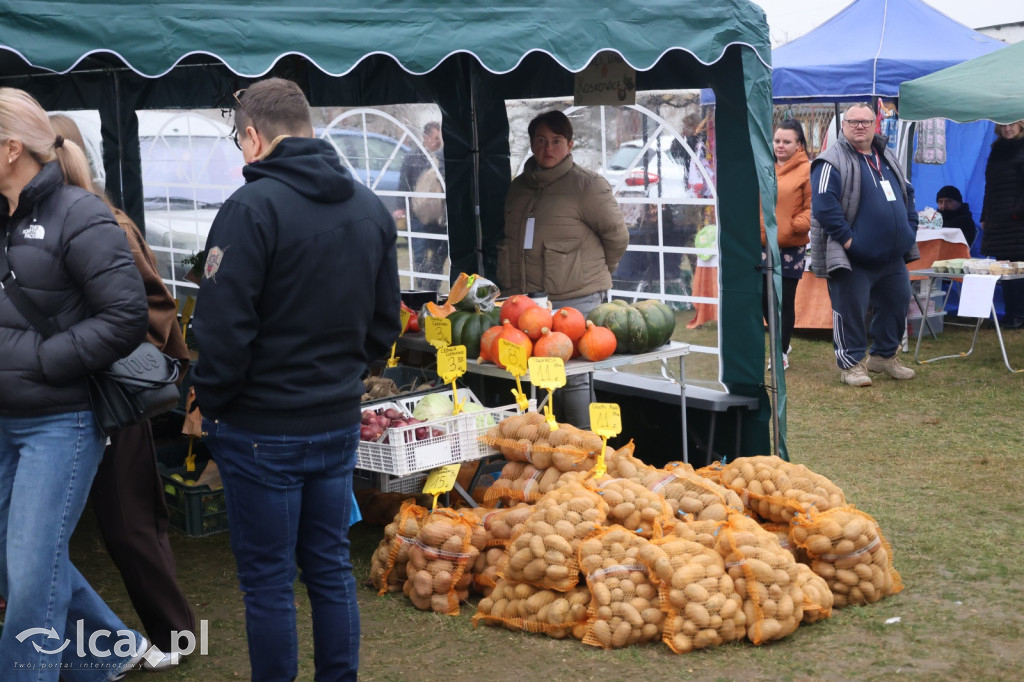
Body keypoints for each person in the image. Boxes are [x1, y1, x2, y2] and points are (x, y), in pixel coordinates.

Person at [191, 78, 401, 682]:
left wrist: (217, 403)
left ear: (253, 137)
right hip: (332, 419)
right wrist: (347, 377)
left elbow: (223, 329)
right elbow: (385, 322)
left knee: (269, 581)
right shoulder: (368, 206)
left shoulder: (249, 209)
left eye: (239, 141)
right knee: (329, 569)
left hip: (262, 425)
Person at [0, 87, 156, 679]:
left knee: (31, 571)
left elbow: (126, 317)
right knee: (19, 562)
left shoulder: (80, 213)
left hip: (59, 421)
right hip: (4, 418)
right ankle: (107, 653)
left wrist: (43, 359)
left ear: (11, 148)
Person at [50, 113, 196, 668]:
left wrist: (93, 345)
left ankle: (175, 636)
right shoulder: (37, 227)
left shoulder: (109, 225)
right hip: (62, 402)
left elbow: (155, 310)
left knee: (130, 523)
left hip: (112, 400)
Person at [498, 110, 629, 427]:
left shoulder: (588, 186)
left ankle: (587, 446)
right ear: (531, 144)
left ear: (570, 144)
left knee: (574, 379)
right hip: (528, 305)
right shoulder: (518, 189)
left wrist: (595, 276)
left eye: (556, 141)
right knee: (537, 378)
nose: (548, 148)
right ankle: (548, 445)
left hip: (576, 300)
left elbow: (617, 237)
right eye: (541, 141)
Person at [809, 102, 920, 387]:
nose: (860, 126)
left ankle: (884, 356)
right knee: (850, 311)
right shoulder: (830, 160)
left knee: (897, 302)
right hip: (852, 256)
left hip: (892, 256)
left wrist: (910, 229)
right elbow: (823, 206)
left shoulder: (886, 154)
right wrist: (849, 240)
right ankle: (851, 365)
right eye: (853, 121)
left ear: (875, 125)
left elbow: (907, 192)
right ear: (843, 126)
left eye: (866, 121)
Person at [761, 119, 812, 371]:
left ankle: (780, 352)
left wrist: (793, 226)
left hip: (790, 247)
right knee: (763, 298)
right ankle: (781, 340)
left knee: (784, 300)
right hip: (762, 244)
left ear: (799, 144)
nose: (780, 145)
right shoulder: (763, 165)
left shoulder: (808, 170)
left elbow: (814, 207)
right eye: (777, 140)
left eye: (787, 141)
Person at [980, 121, 1024, 328]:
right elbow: (989, 187)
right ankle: (1010, 314)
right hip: (998, 220)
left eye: (1012, 125)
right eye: (1004, 125)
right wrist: (984, 216)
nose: (1008, 129)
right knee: (1004, 269)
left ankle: (1020, 315)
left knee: (1019, 270)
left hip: (1018, 222)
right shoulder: (996, 150)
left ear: (1021, 125)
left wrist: (1016, 212)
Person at [399, 121, 446, 290]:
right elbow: (403, 183)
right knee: (419, 251)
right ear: (426, 137)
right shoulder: (413, 157)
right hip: (416, 214)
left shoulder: (443, 157)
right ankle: (421, 285)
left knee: (438, 252)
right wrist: (401, 207)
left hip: (437, 217)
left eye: (440, 138)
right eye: (435, 138)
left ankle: (433, 286)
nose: (438, 141)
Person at [935, 185, 976, 251]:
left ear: (959, 203)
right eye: (940, 202)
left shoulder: (965, 221)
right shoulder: (935, 219)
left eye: (949, 201)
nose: (944, 206)